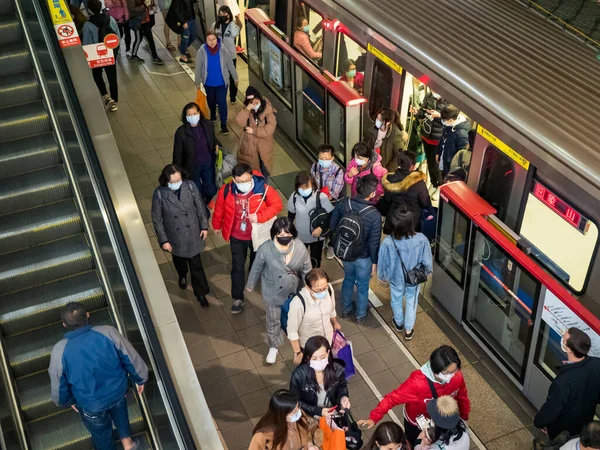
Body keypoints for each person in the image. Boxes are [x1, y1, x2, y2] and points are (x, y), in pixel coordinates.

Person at [49, 302, 148, 450]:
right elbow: (130, 356)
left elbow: (58, 384)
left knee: (100, 433)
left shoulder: (59, 350)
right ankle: (128, 445)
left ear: (64, 324)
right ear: (88, 315)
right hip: (118, 392)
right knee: (121, 415)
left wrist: (67, 400)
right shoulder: (108, 332)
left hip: (90, 403)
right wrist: (140, 378)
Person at [358, 345, 470, 447]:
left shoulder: (457, 377)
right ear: (435, 370)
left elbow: (462, 397)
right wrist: (374, 417)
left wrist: (464, 418)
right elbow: (392, 398)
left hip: (441, 420)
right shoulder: (417, 383)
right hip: (416, 424)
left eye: (454, 370)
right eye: (447, 373)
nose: (451, 376)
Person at [212, 163, 282, 314]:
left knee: (257, 260)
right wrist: (217, 225)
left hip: (258, 235)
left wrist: (260, 217)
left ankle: (253, 273)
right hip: (237, 236)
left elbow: (277, 205)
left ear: (252, 176)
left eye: (246, 181)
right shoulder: (227, 190)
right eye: (239, 182)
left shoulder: (262, 189)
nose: (243, 184)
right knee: (237, 266)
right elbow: (219, 209)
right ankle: (237, 297)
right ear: (234, 180)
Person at [245, 218, 311, 364]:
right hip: (273, 291)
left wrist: (309, 287)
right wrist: (250, 284)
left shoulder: (299, 247)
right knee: (273, 320)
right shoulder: (265, 249)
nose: (284, 238)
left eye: (287, 235)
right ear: (274, 235)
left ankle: (295, 338)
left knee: (293, 317)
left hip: (293, 290)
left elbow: (307, 268)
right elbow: (256, 267)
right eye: (280, 236)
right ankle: (273, 346)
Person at [152, 164, 210, 306]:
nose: (177, 183)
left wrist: (204, 226)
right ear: (166, 181)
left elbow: (200, 207)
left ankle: (201, 293)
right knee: (179, 260)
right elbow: (157, 219)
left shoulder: (190, 187)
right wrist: (164, 240)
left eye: (179, 180)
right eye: (173, 182)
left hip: (193, 232)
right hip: (175, 236)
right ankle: (182, 275)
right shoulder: (160, 194)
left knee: (196, 264)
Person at [330, 175, 382, 324]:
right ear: (372, 194)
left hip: (345, 252)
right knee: (363, 286)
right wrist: (374, 262)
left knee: (348, 279)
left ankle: (345, 311)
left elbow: (333, 226)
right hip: (363, 257)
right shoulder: (374, 215)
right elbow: (373, 243)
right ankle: (360, 315)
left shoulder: (343, 203)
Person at [534, 328, 600, 440]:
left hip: (562, 431)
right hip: (584, 423)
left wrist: (539, 422)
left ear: (568, 349)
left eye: (563, 338)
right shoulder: (597, 364)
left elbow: (552, 409)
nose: (561, 339)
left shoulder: (563, 381)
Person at [378, 206, 432, 340]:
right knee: (411, 302)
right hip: (413, 278)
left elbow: (383, 263)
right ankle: (408, 330)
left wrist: (383, 276)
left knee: (396, 300)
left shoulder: (388, 242)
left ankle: (398, 322)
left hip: (396, 278)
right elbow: (427, 264)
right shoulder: (422, 239)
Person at [289, 336, 350, 417]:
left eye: (323, 357)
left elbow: (342, 387)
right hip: (310, 417)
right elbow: (295, 401)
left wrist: (343, 397)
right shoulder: (299, 374)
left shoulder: (337, 369)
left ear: (328, 353)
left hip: (332, 414)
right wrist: (318, 411)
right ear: (308, 357)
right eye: (314, 358)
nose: (319, 361)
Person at [287, 269, 341, 360]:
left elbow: (332, 309)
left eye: (324, 288)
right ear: (308, 288)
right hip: (310, 347)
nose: (323, 292)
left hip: (327, 340)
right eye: (318, 290)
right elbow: (292, 331)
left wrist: (335, 322)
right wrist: (297, 352)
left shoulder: (329, 290)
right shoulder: (298, 303)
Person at [173, 102, 218, 206]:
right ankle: (200, 204)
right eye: (189, 115)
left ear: (199, 113)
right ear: (185, 117)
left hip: (208, 162)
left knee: (210, 187)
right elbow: (177, 154)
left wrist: (215, 146)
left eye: (194, 113)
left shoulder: (208, 124)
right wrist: (177, 172)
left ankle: (208, 199)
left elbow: (212, 138)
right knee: (195, 188)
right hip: (192, 166)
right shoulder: (181, 132)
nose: (192, 117)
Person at [377, 151, 433, 234]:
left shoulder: (390, 179)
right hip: (412, 222)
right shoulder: (419, 183)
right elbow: (425, 203)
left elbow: (387, 200)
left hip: (394, 220)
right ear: (412, 166)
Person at [195, 32, 239, 135]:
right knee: (211, 101)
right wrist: (197, 82)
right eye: (209, 40)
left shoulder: (223, 50)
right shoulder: (202, 51)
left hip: (222, 83)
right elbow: (198, 68)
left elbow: (230, 64)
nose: (211, 42)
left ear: (217, 39)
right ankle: (213, 115)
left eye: (213, 39)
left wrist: (235, 77)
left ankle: (223, 124)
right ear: (206, 40)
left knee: (222, 102)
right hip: (208, 83)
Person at [287, 171, 334, 268]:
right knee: (300, 260)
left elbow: (331, 215)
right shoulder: (294, 197)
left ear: (312, 184)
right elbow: (290, 217)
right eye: (301, 188)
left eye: (306, 187)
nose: (304, 190)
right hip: (300, 237)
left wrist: (321, 228)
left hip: (316, 237)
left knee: (315, 260)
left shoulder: (321, 197)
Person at [249, 389, 320, 450]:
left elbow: (307, 431)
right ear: (282, 415)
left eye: (298, 406)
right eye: (294, 412)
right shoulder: (262, 435)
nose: (299, 411)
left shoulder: (301, 417)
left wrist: (310, 444)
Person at [82, 0, 120, 112]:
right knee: (112, 76)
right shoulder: (110, 19)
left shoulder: (88, 25)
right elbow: (117, 36)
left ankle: (106, 96)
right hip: (110, 52)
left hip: (96, 54)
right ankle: (114, 101)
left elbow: (87, 44)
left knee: (97, 74)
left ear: (89, 10)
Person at [310, 144, 344, 261]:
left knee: (332, 224)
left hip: (332, 202)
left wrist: (323, 197)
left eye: (326, 159)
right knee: (320, 220)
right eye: (321, 158)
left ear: (332, 158)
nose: (323, 161)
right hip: (318, 200)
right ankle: (324, 237)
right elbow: (312, 185)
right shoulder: (314, 167)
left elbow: (335, 193)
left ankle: (331, 245)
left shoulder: (338, 171)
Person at [235, 86, 277, 178]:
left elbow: (270, 128)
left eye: (256, 102)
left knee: (265, 170)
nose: (254, 104)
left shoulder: (268, 110)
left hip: (264, 147)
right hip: (249, 148)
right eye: (251, 102)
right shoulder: (247, 110)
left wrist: (254, 131)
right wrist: (247, 109)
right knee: (251, 173)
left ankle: (263, 189)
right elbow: (239, 121)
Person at [410, 90, 448, 189]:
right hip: (426, 135)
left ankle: (440, 185)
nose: (432, 91)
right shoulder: (429, 96)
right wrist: (417, 112)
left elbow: (451, 120)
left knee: (436, 165)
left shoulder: (449, 100)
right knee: (430, 164)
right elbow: (423, 112)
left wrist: (439, 116)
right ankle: (434, 184)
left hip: (438, 138)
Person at [212, 5, 240, 104]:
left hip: (231, 56)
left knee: (232, 77)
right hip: (218, 55)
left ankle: (233, 96)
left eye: (224, 13)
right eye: (221, 13)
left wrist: (234, 21)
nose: (222, 15)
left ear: (229, 15)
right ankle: (219, 98)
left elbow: (236, 33)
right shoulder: (215, 25)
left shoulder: (233, 26)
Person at [436, 105, 470, 178]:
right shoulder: (449, 125)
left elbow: (461, 154)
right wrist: (438, 153)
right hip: (444, 160)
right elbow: (442, 140)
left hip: (450, 166)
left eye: (444, 120)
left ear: (451, 120)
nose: (443, 122)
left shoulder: (462, 134)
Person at [136, 0, 163, 64]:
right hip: (142, 17)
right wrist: (144, 4)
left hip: (148, 13)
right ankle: (154, 56)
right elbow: (133, 7)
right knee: (147, 38)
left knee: (152, 24)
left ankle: (154, 56)